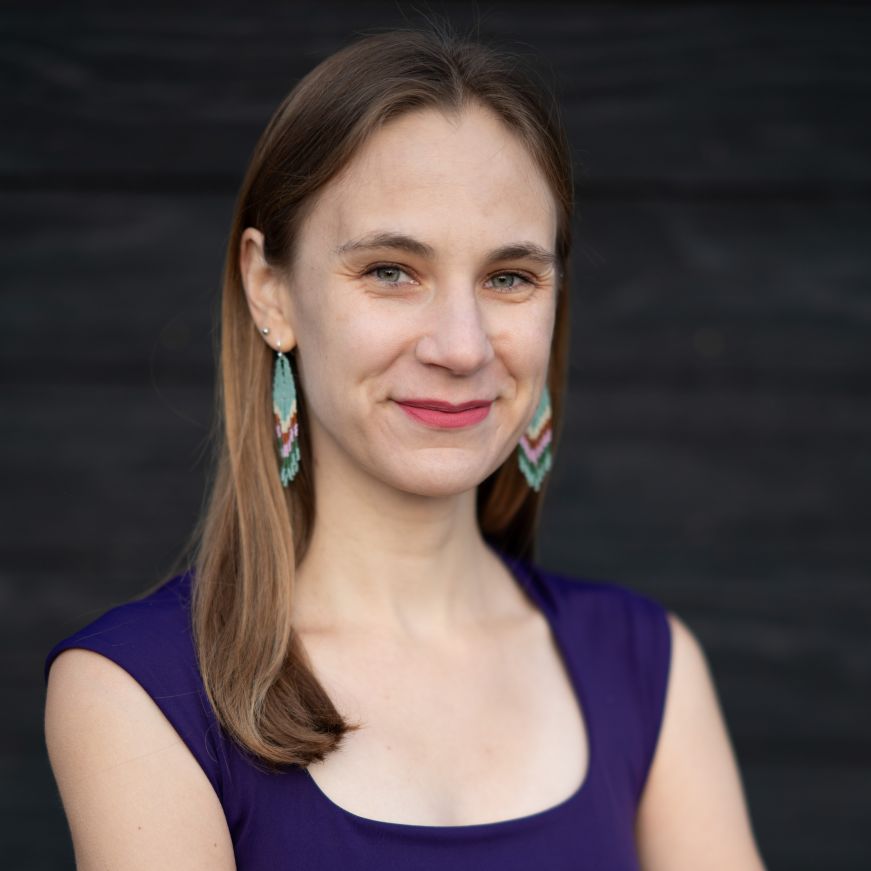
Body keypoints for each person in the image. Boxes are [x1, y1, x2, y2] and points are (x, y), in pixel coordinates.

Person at [43, 22, 767, 870]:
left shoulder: (645, 665)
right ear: (268, 290)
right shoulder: (141, 688)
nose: (461, 346)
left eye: (509, 277)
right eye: (391, 269)